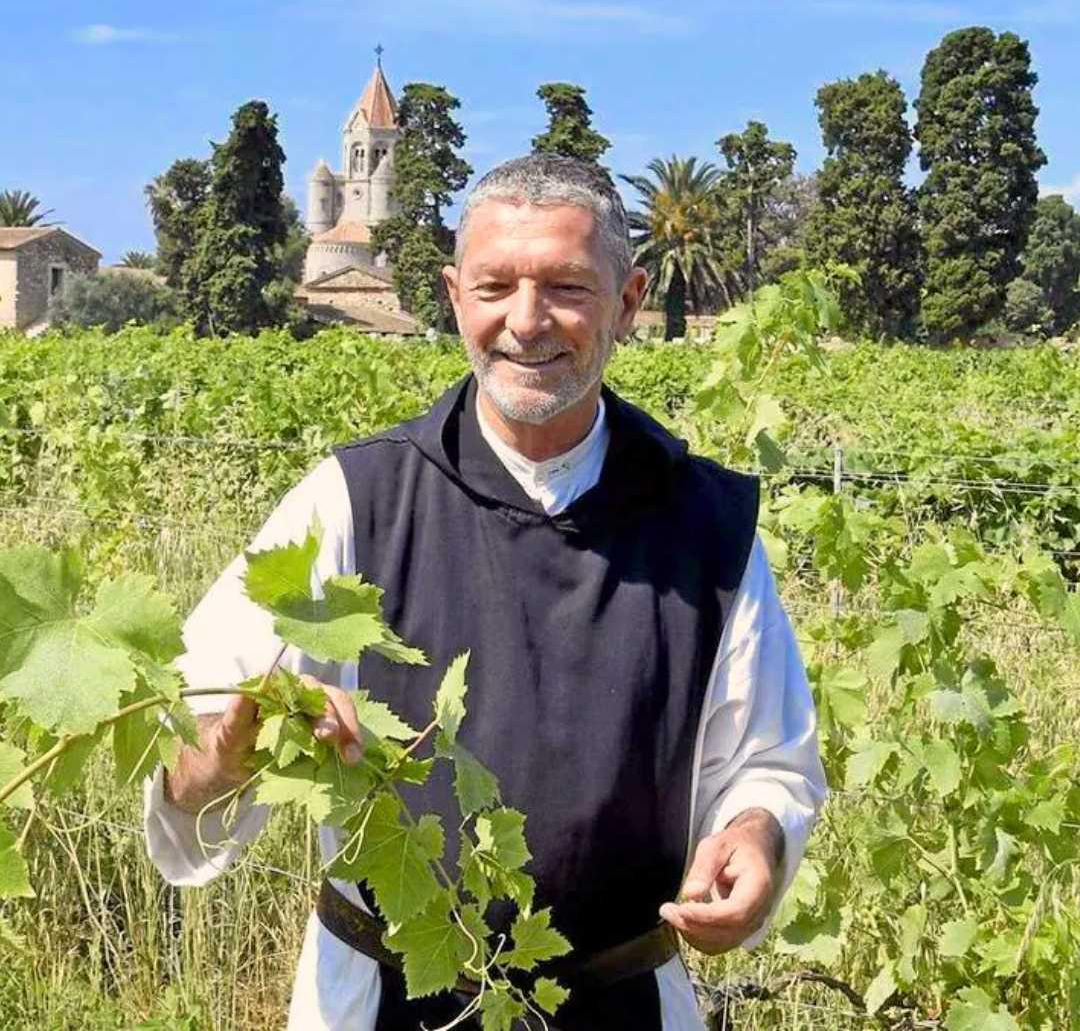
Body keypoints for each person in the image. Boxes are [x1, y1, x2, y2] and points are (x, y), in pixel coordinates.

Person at [145, 154, 826, 1030]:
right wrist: (226, 751)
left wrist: (754, 836)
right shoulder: (354, 500)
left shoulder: (709, 526)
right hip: (380, 1001)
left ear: (628, 301)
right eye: (495, 285)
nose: (527, 321)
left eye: (569, 287)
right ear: (454, 295)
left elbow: (766, 762)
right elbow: (191, 744)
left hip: (625, 1002)